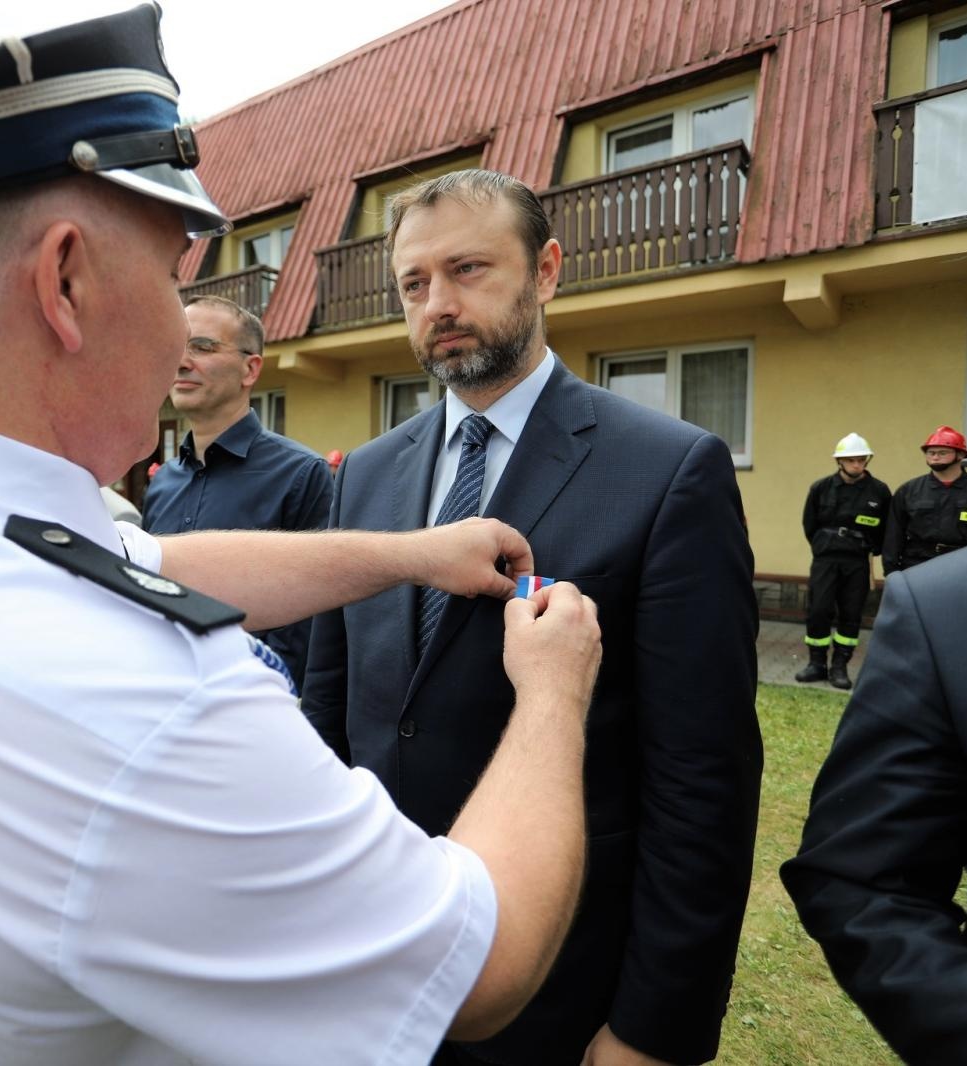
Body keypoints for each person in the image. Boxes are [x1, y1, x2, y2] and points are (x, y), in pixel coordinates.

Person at [0, 8, 603, 1064]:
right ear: (64, 282)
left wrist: (414, 552)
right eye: (168, 275)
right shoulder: (146, 704)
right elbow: (480, 965)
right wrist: (555, 693)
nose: (179, 322)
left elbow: (134, 569)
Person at [303, 169, 762, 1066]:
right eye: (414, 282)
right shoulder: (364, 475)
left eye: (469, 269)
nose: (438, 303)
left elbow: (702, 780)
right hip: (370, 956)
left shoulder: (667, 471)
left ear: (546, 271)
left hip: (559, 973)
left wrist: (652, 1028)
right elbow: (330, 708)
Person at [782, 532, 967, 1065]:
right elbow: (865, 878)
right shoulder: (957, 606)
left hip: (878, 569)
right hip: (880, 574)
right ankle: (826, 664)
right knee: (825, 613)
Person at [143, 296, 332, 690]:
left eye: (203, 347)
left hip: (252, 705)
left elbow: (313, 621)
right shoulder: (162, 484)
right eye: (178, 345)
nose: (181, 361)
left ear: (251, 369)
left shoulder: (300, 474)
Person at [794, 432, 891, 689]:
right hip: (825, 560)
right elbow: (809, 524)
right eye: (851, 460)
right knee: (818, 610)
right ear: (840, 462)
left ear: (866, 461)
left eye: (861, 460)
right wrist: (822, 545)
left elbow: (885, 529)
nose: (856, 465)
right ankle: (816, 664)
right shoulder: (821, 488)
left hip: (857, 562)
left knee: (851, 614)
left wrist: (871, 548)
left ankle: (840, 667)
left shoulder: (879, 492)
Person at [883, 425, 967, 573]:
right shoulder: (908, 491)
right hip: (919, 566)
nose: (935, 457)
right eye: (930, 452)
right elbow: (893, 536)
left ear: (960, 455)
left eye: (942, 452)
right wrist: (891, 572)